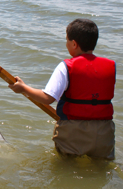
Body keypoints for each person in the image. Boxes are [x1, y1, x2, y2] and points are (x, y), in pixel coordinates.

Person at [8, 19, 116, 160]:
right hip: (104, 131)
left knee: (66, 167)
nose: (66, 44)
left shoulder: (66, 66)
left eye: (66, 40)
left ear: (74, 44)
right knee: (100, 169)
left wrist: (23, 88)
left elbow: (48, 98)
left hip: (73, 132)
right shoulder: (110, 66)